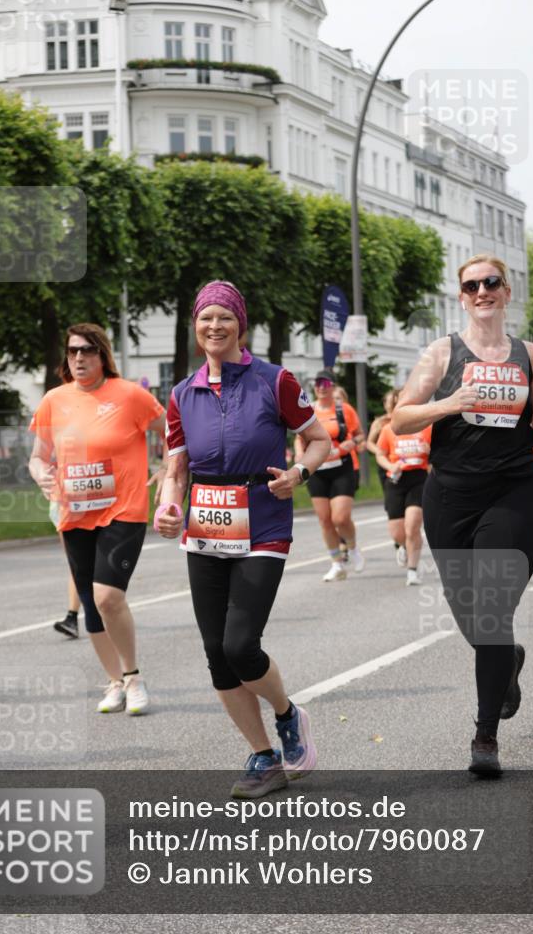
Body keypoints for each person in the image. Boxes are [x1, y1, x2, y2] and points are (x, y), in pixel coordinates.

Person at [157, 281, 330, 798]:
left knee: (240, 644)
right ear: (195, 326)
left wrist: (299, 472)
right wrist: (168, 504)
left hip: (262, 524)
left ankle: (287, 713)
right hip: (205, 528)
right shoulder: (181, 393)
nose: (215, 327)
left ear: (241, 325)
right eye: (206, 318)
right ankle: (262, 756)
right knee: (217, 653)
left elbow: (318, 439)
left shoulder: (273, 381)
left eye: (225, 318)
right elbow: (175, 467)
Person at [392, 254, 533, 776]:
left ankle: (485, 735)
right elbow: (399, 418)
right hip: (452, 496)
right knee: (472, 617)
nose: (482, 291)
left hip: (513, 491)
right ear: (461, 296)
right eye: (472, 285)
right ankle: (506, 663)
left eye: (492, 283)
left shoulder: (530, 355)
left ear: (507, 292)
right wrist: (448, 403)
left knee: (490, 608)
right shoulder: (441, 354)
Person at [29, 323, 165, 714]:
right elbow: (39, 455)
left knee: (108, 596)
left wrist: (170, 468)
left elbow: (171, 433)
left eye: (87, 351)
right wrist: (41, 473)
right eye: (72, 351)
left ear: (102, 355)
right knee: (90, 603)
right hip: (74, 512)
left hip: (124, 510)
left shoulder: (130, 396)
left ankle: (134, 677)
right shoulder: (54, 400)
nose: (79, 358)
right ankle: (114, 681)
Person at [298, 369, 366, 582]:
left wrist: (352, 443)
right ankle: (337, 563)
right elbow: (300, 438)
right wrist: (300, 455)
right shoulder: (308, 411)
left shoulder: (344, 410)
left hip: (342, 468)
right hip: (317, 470)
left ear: (333, 387)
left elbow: (360, 435)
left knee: (340, 518)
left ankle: (353, 548)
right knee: (325, 520)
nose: (320, 387)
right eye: (317, 384)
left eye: (325, 384)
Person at [376, 418, 431, 586]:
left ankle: (412, 571)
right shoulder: (388, 428)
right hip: (396, 479)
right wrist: (390, 466)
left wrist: (429, 451)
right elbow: (380, 453)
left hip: (419, 478)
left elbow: (440, 452)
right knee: (397, 532)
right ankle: (404, 546)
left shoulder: (427, 426)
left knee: (412, 525)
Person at [368, 388, 408, 566]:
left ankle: (406, 536)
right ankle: (399, 539)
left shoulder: (406, 418)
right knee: (391, 503)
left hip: (405, 464)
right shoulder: (381, 422)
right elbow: (369, 442)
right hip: (385, 464)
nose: (390, 404)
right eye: (389, 401)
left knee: (409, 505)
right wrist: (381, 452)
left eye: (393, 400)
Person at [333, 384, 366, 562]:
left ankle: (345, 543)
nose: (336, 401)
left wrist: (356, 444)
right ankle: (342, 543)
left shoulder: (348, 416)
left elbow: (361, 441)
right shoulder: (327, 419)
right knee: (333, 514)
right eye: (334, 398)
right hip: (328, 468)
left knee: (342, 513)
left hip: (349, 466)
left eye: (339, 398)